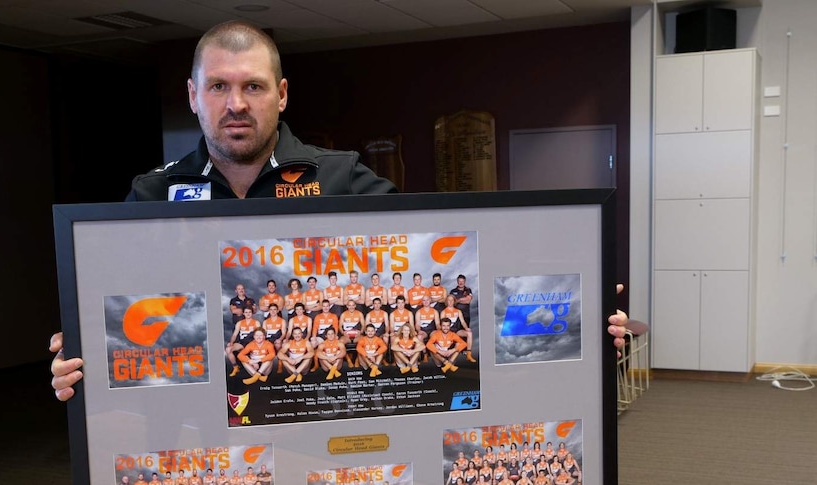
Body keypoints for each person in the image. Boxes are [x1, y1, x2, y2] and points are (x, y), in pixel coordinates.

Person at [48, 19, 628, 400]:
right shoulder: (149, 195)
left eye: (253, 86)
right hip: (197, 421)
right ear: (193, 95)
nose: (236, 105)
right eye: (219, 87)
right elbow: (118, 315)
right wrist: (78, 353)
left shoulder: (341, 176)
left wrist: (579, 293)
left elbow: (466, 248)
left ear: (282, 94)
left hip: (322, 418)